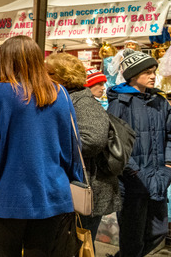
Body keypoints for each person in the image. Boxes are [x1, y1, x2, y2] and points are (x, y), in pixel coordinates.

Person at [0, 36, 84, 256]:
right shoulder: (60, 92)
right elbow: (72, 145)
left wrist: (10, 143)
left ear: (6, 61)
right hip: (52, 190)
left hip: (9, 191)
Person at [45, 53, 120, 245]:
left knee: (79, 244)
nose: (44, 76)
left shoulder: (83, 102)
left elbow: (93, 140)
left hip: (86, 187)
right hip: (75, 184)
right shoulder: (66, 98)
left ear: (64, 76)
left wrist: (50, 145)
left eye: (49, 73)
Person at [107, 49, 171, 257]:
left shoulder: (161, 102)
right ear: (133, 75)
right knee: (132, 237)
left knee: (158, 231)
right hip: (132, 183)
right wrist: (135, 173)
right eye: (147, 72)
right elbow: (115, 144)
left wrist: (169, 167)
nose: (153, 76)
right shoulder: (119, 104)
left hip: (159, 178)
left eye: (154, 71)